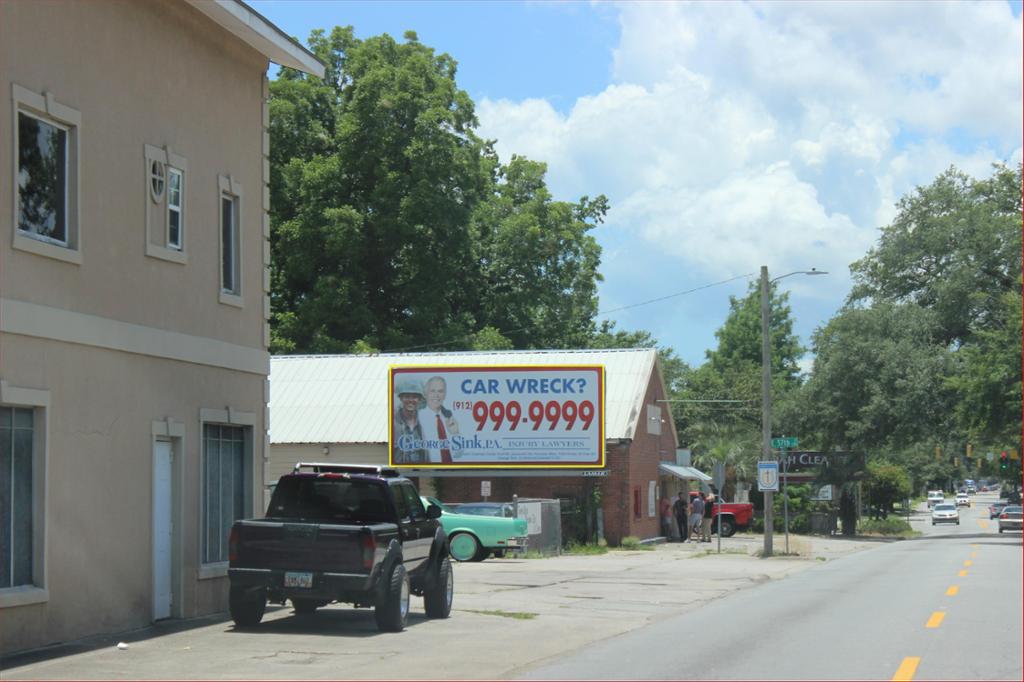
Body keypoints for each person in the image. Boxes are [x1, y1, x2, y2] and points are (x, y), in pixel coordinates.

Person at [418, 375, 460, 463]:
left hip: (451, 471)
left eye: (440, 391)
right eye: (432, 391)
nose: (436, 395)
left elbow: (460, 454)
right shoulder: (418, 419)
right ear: (425, 394)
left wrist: (455, 434)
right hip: (429, 470)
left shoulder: (450, 419)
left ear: (444, 395)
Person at [392, 377, 428, 464]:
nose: (411, 400)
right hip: (400, 473)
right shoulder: (393, 423)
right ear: (401, 398)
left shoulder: (425, 424)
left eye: (415, 396)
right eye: (407, 396)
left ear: (420, 399)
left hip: (420, 471)